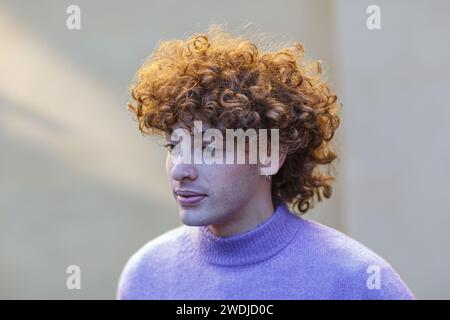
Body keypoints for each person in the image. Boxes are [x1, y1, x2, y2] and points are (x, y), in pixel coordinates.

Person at [117, 25, 415, 299]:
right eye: (174, 146)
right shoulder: (145, 276)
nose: (181, 170)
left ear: (270, 155)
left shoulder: (357, 281)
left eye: (208, 148)